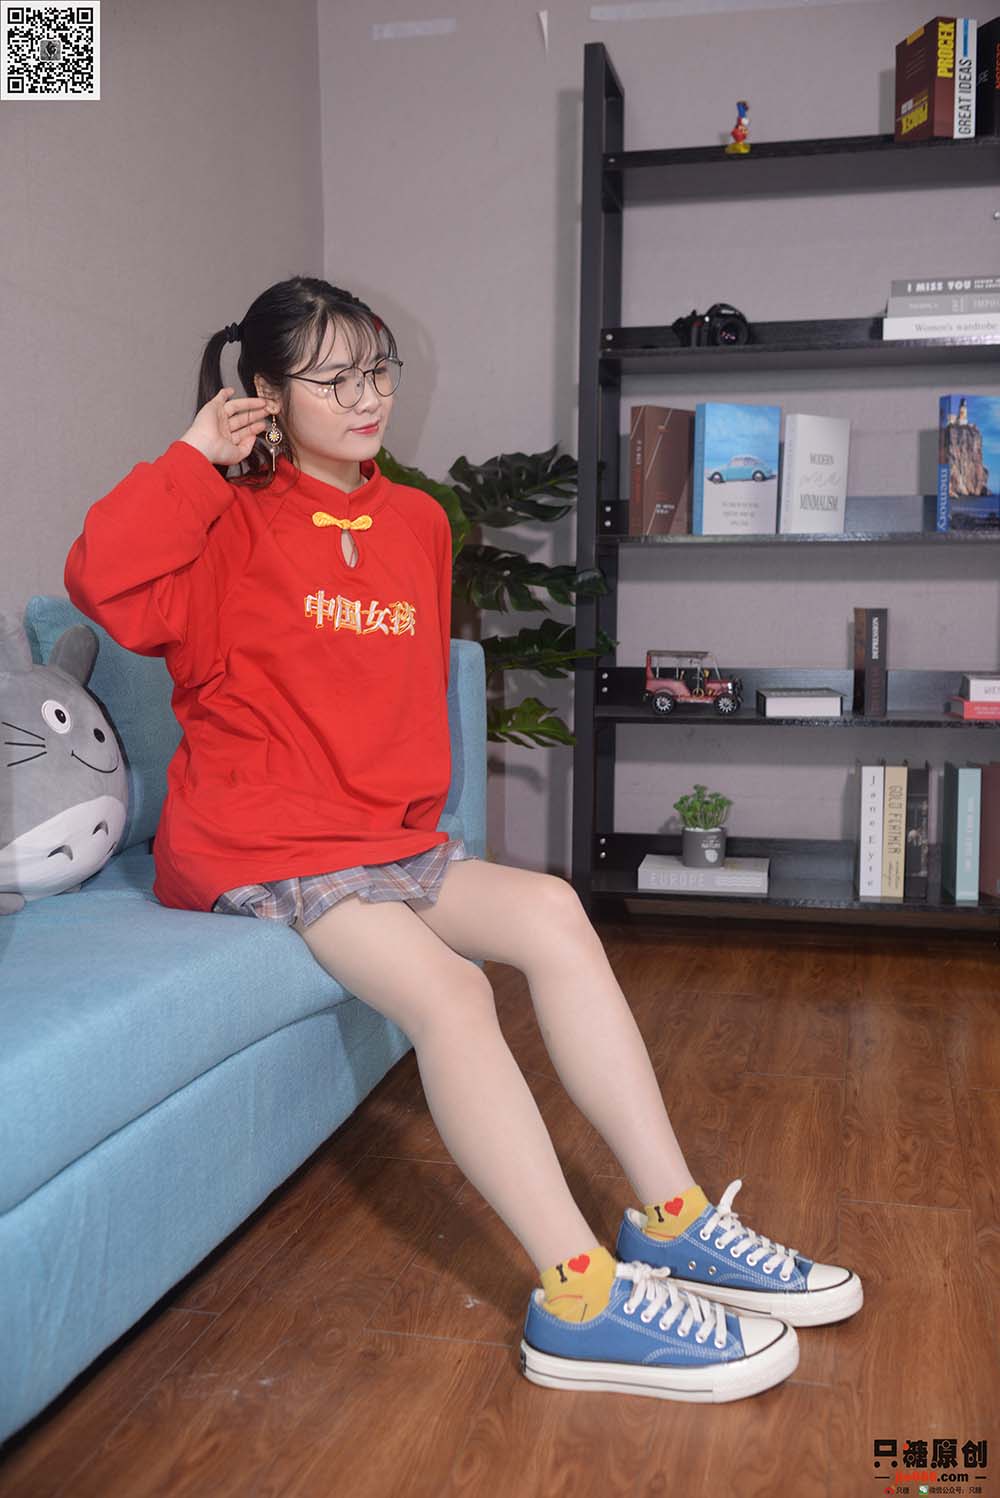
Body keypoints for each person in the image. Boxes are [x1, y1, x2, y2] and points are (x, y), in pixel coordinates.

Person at [64, 275, 862, 1406]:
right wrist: (197, 457)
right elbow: (100, 580)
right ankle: (576, 1298)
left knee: (551, 909)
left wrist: (410, 833)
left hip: (377, 835)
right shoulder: (223, 521)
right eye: (333, 379)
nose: (367, 397)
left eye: (376, 370)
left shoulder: (418, 523)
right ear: (265, 394)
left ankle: (673, 1218)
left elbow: (396, 702)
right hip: (266, 839)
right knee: (451, 993)